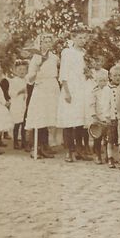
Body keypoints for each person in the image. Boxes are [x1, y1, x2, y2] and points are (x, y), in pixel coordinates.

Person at [57, 32, 89, 163]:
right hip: (71, 88)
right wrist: (67, 92)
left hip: (82, 89)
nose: (82, 40)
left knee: (80, 122)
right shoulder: (67, 52)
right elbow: (63, 72)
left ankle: (80, 150)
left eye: (84, 37)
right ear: (73, 39)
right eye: (80, 37)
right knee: (69, 121)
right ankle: (69, 151)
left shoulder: (85, 53)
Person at [25, 36, 59, 159]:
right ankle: (35, 147)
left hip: (52, 88)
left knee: (48, 117)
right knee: (39, 116)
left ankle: (45, 146)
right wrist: (36, 71)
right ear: (40, 43)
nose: (48, 43)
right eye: (45, 41)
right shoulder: (36, 58)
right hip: (41, 88)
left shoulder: (55, 57)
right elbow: (29, 79)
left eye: (50, 41)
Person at [8, 61, 29, 151]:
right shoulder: (13, 81)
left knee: (24, 124)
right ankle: (15, 141)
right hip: (17, 104)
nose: (22, 71)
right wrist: (20, 91)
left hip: (24, 104)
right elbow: (11, 93)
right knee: (17, 124)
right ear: (15, 71)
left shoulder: (27, 80)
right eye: (20, 69)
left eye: (24, 69)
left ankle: (24, 142)